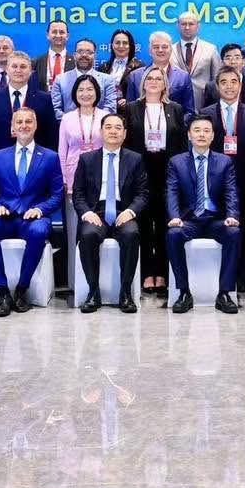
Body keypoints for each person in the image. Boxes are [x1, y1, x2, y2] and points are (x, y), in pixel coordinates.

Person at [0, 108, 64, 317]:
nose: (24, 126)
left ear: (35, 125)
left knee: (39, 231)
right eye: (19, 122)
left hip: (33, 218)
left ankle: (21, 289)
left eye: (28, 122)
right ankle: (2, 292)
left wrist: (40, 209)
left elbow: (57, 195)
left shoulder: (50, 157)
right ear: (12, 127)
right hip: (5, 217)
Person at [70, 113, 147, 313]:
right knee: (88, 235)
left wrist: (131, 211)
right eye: (109, 127)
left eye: (118, 128)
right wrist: (86, 213)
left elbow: (142, 193)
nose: (113, 131)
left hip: (123, 211)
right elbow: (78, 193)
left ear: (125, 133)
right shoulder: (87, 159)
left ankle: (125, 293)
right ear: (101, 131)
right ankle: (93, 292)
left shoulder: (135, 159)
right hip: (96, 212)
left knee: (132, 234)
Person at [166, 115, 241, 313]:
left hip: (215, 219)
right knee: (173, 235)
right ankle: (184, 292)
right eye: (197, 130)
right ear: (189, 135)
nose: (201, 134)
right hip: (189, 220)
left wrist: (232, 215)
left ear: (213, 136)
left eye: (206, 131)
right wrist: (174, 217)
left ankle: (224, 293)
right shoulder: (177, 162)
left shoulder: (224, 162)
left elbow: (231, 192)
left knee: (233, 233)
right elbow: (172, 192)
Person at [123, 65, 188, 295]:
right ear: (143, 83)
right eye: (149, 78)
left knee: (163, 222)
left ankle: (161, 272)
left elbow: (181, 145)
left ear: (164, 84)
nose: (153, 81)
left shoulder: (175, 109)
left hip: (166, 170)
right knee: (141, 222)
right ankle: (145, 273)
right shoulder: (131, 108)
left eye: (158, 78)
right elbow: (126, 143)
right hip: (139, 170)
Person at [201, 65, 245, 287]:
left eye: (233, 82)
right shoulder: (206, 114)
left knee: (243, 227)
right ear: (217, 87)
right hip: (212, 181)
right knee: (219, 225)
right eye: (224, 82)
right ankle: (217, 276)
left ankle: (241, 278)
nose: (229, 86)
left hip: (243, 180)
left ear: (240, 85)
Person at [0, 50, 59, 155]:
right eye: (14, 66)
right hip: (1, 160)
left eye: (23, 67)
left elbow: (51, 136)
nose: (18, 70)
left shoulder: (45, 100)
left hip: (36, 159)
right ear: (7, 70)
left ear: (30, 71)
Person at [128, 31, 197, 114]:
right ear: (150, 51)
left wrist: (175, 122)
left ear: (171, 50)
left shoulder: (183, 77)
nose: (160, 50)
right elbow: (129, 111)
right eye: (156, 47)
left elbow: (189, 112)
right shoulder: (135, 76)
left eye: (164, 47)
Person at [57, 75, 107, 188]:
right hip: (73, 173)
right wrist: (63, 178)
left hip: (100, 172)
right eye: (81, 90)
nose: (85, 94)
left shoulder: (106, 117)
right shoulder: (67, 118)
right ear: (75, 93)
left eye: (90, 89)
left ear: (97, 92)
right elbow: (62, 152)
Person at [50, 39, 121, 116]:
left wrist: (94, 121)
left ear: (95, 55)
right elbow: (55, 109)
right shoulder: (60, 80)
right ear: (74, 55)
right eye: (80, 51)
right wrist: (70, 121)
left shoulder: (107, 80)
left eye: (89, 52)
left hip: (100, 123)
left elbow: (110, 108)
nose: (84, 55)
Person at [171, 11, 218, 108]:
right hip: (176, 105)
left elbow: (217, 79)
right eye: (183, 24)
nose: (187, 27)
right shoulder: (170, 50)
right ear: (178, 26)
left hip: (204, 104)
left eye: (191, 24)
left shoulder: (210, 49)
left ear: (198, 26)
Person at [100, 29, 144, 101]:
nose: (121, 46)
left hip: (130, 107)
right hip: (107, 107)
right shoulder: (104, 67)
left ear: (130, 46)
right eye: (117, 43)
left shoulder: (139, 66)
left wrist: (128, 100)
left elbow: (143, 92)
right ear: (112, 45)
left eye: (125, 43)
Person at [31, 19, 72, 93]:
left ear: (67, 36)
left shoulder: (75, 62)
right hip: (44, 99)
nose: (58, 35)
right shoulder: (36, 62)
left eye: (61, 32)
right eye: (54, 32)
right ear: (47, 35)